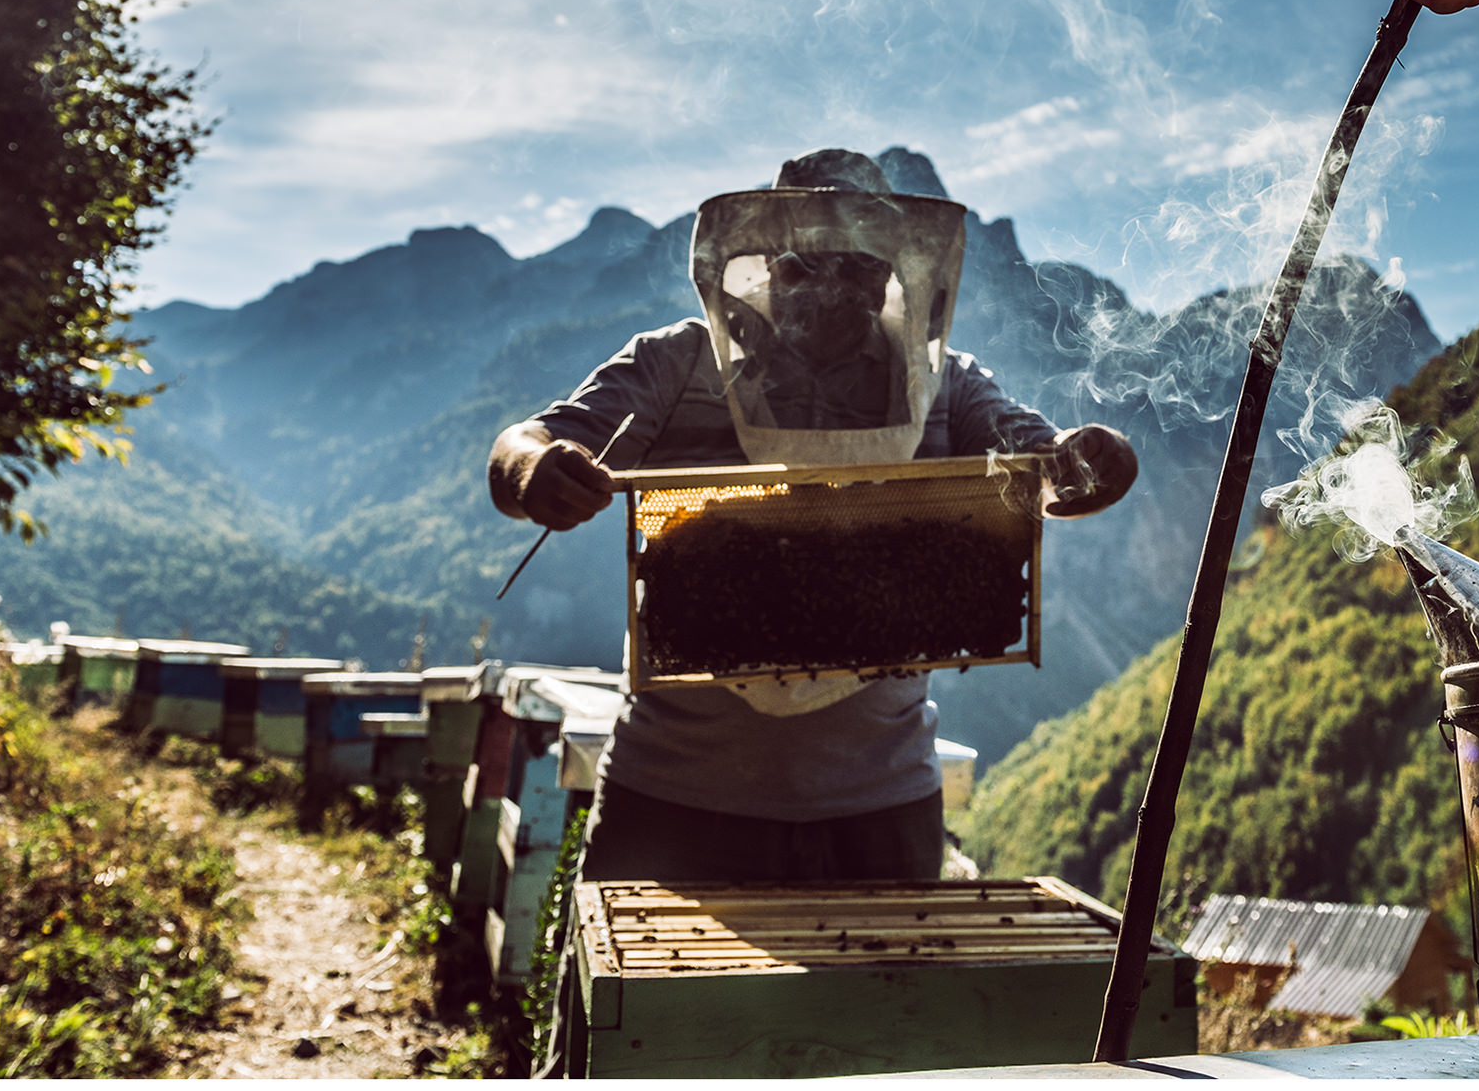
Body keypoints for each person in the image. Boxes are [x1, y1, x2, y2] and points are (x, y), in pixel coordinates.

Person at [486, 148, 1137, 883]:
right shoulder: (676, 363)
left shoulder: (945, 383)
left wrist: (1092, 463)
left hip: (882, 802)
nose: (832, 288)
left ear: (892, 272)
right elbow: (522, 445)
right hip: (672, 796)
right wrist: (533, 471)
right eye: (806, 263)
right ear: (767, 263)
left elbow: (1046, 467)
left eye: (858, 264)